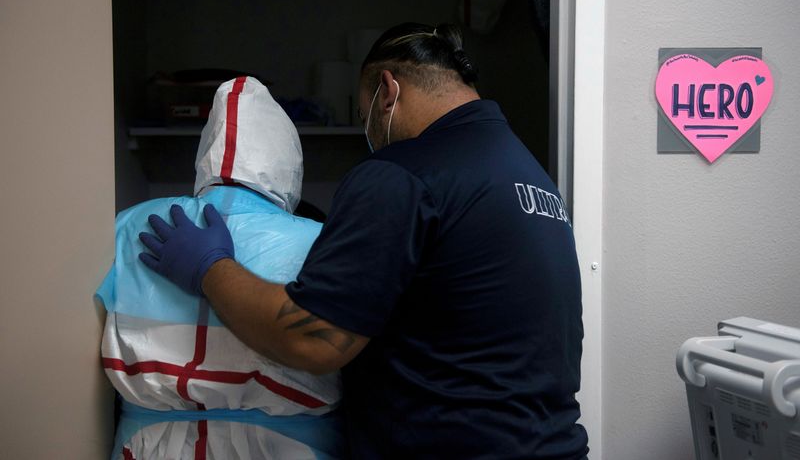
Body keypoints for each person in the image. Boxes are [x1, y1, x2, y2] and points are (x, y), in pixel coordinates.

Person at [139, 23, 589, 459]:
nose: (369, 133)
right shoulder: (530, 176)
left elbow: (313, 340)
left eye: (363, 115)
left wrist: (210, 267)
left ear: (387, 91)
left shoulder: (403, 173)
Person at [97, 77, 345, 459]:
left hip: (146, 445)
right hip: (288, 448)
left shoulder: (127, 225)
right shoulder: (323, 240)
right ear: (287, 162)